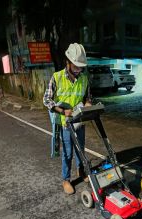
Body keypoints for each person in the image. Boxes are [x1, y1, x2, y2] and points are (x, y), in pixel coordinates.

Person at [43, 43, 92, 195]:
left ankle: (81, 170)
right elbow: (46, 100)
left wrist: (88, 105)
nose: (79, 70)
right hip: (64, 123)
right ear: (68, 62)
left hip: (79, 121)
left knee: (80, 150)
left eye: (81, 67)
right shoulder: (56, 78)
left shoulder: (84, 78)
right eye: (76, 66)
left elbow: (87, 97)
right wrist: (63, 111)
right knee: (68, 153)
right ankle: (66, 179)